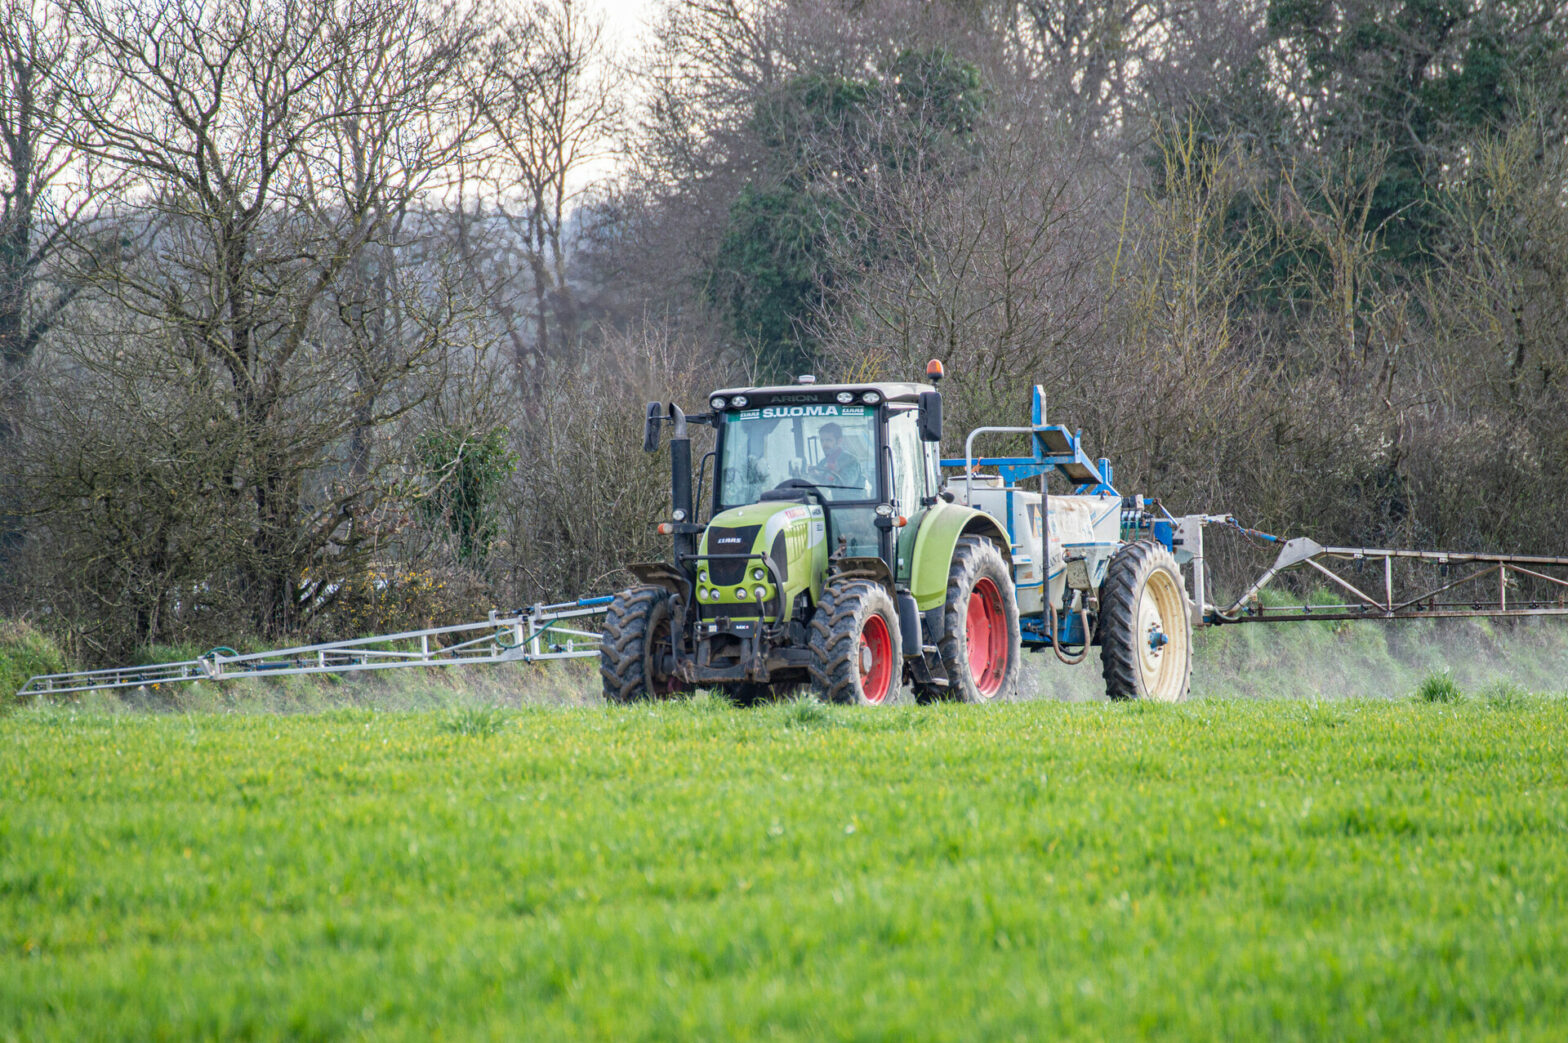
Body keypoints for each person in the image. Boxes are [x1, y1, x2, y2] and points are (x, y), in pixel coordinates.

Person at [809, 422, 864, 492]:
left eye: (828, 440)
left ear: (839, 441)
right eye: (822, 440)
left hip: (850, 501)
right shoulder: (823, 462)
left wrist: (829, 474)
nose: (824, 444)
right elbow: (821, 485)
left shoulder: (851, 461)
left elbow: (846, 485)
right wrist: (814, 475)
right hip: (827, 501)